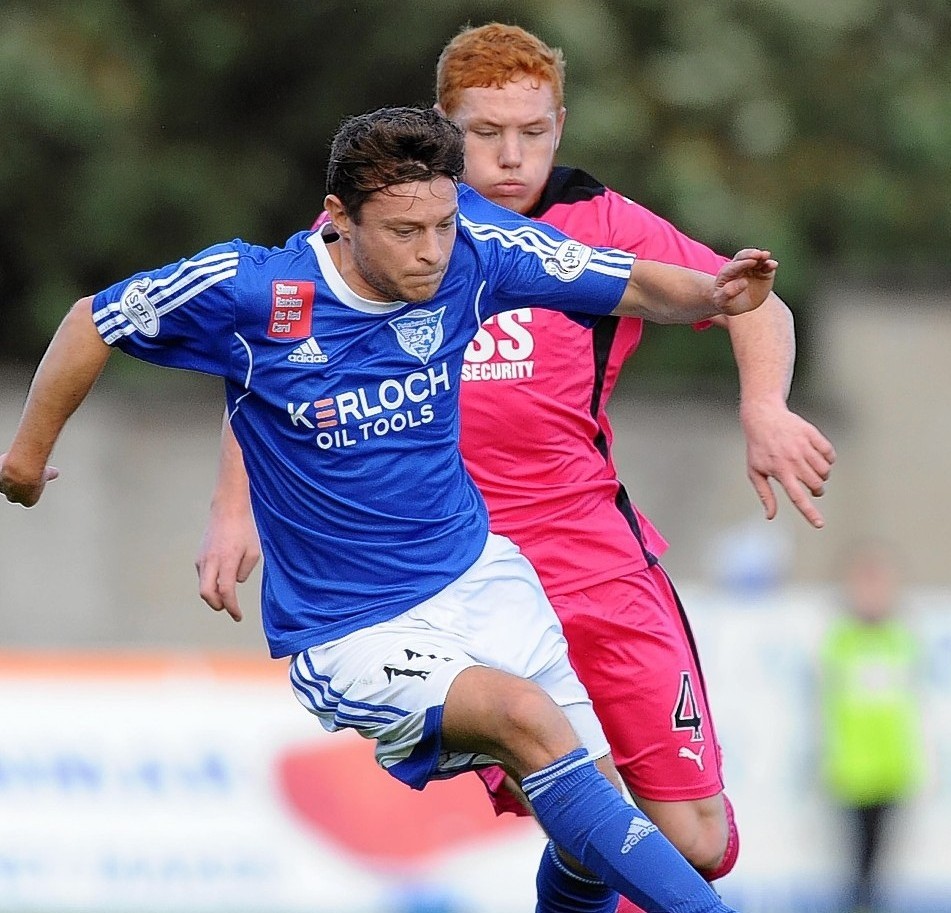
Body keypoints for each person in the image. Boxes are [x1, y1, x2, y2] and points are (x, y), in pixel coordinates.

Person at [1, 106, 782, 913]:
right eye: (407, 230)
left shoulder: (479, 255)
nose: (432, 249)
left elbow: (625, 280)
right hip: (356, 626)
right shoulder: (252, 290)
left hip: (483, 579)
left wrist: (714, 291)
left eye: (445, 223)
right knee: (525, 718)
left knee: (598, 827)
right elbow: (91, 320)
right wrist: (25, 460)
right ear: (338, 219)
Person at [195, 22, 837, 900]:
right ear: (440, 126)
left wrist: (763, 406)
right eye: (483, 133)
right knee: (582, 794)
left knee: (693, 837)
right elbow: (270, 367)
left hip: (596, 557)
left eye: (531, 133)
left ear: (560, 125)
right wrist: (234, 509)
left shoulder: (601, 222)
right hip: (454, 582)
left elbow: (749, 301)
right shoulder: (383, 232)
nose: (509, 156)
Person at [818, 540, 925, 912]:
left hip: (891, 770)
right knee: (857, 866)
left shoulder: (901, 638)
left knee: (878, 867)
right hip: (852, 772)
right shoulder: (841, 639)